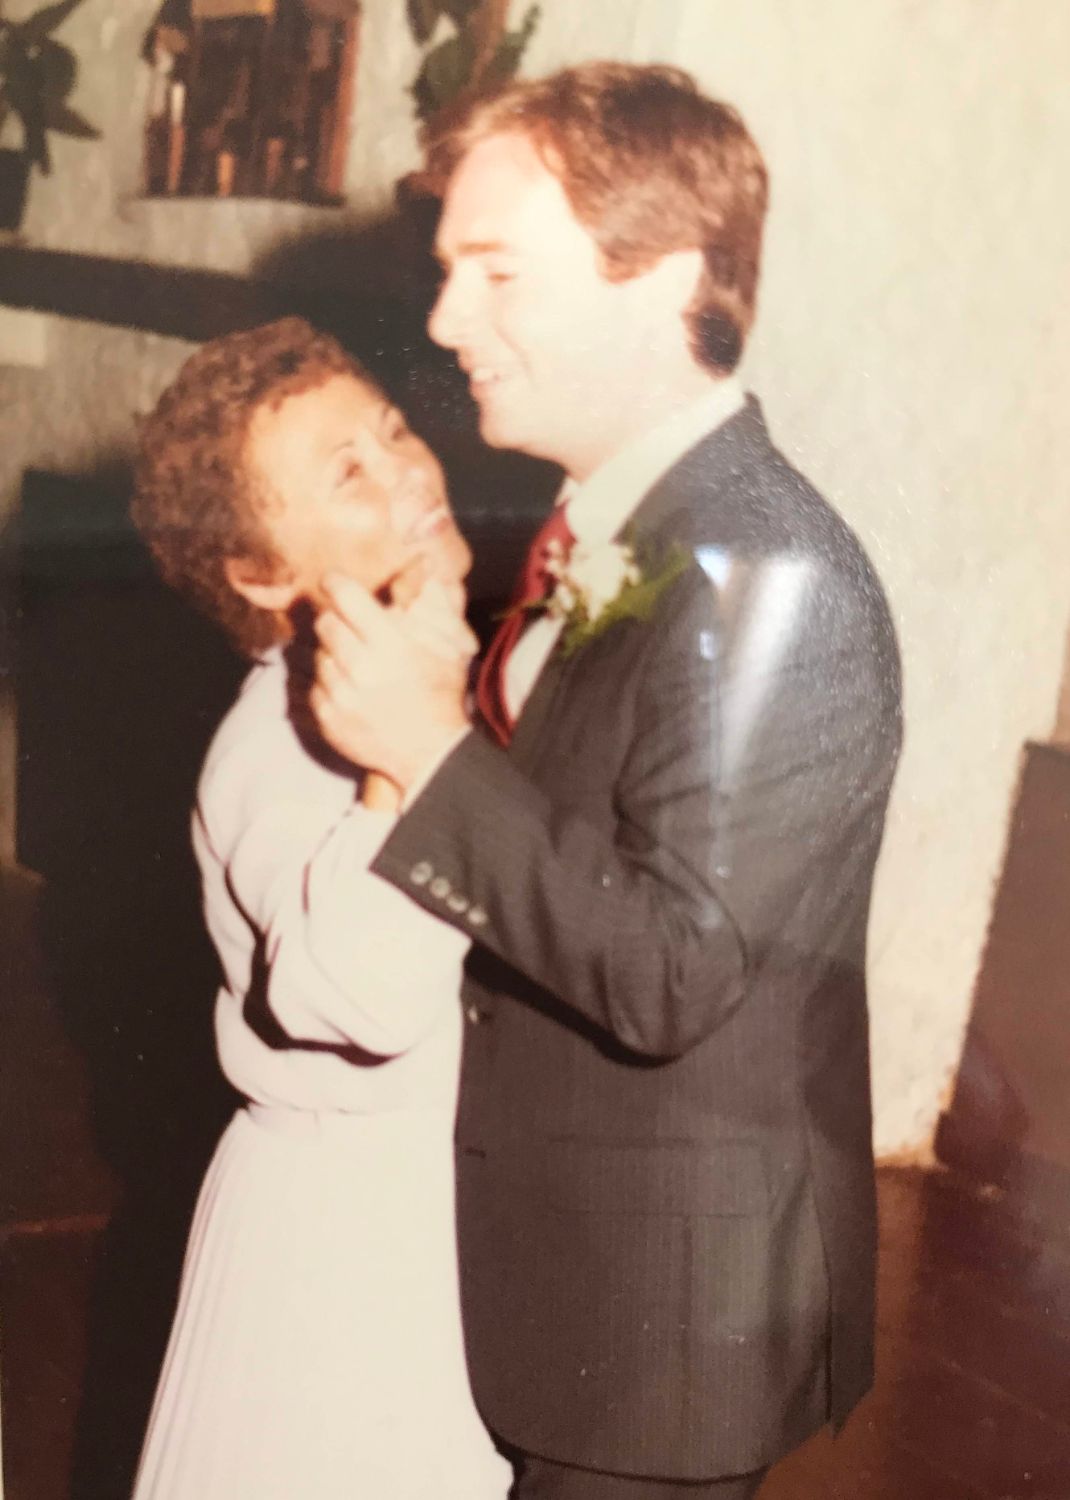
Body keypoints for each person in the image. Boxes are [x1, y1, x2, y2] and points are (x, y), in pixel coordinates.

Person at [311, 63, 904, 1498]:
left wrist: (426, 755)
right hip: (578, 1240)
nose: (446, 320)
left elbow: (672, 970)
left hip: (669, 1316)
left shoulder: (774, 576)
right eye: (448, 270)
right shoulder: (625, 523)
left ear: (666, 278)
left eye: (497, 272)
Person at [128, 317, 512, 1500]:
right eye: (348, 473)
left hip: (447, 1209)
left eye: (393, 431)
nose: (406, 471)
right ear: (260, 575)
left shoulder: (436, 669)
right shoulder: (274, 748)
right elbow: (363, 993)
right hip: (346, 1250)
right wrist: (401, 765)